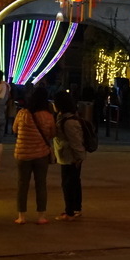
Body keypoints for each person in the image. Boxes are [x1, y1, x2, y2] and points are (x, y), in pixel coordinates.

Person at [13, 84, 54, 224]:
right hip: (41, 154)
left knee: (22, 184)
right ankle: (41, 216)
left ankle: (21, 216)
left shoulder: (22, 113)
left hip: (23, 153)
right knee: (41, 184)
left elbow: (15, 129)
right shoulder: (48, 116)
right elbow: (52, 134)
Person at [53, 91, 86, 221]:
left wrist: (79, 157)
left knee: (68, 183)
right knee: (74, 182)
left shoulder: (68, 121)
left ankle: (70, 211)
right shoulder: (66, 117)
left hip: (70, 157)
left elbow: (75, 142)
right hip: (69, 156)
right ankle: (76, 209)